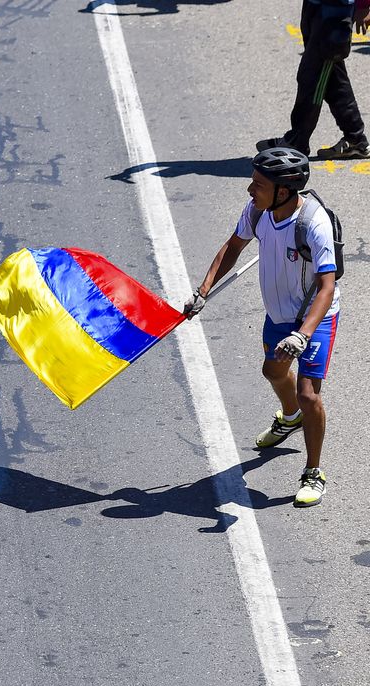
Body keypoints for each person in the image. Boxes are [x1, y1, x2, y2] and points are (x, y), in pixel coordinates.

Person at [184, 147, 339, 507]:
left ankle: (313, 471)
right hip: (278, 316)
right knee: (272, 370)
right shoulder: (258, 212)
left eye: (258, 184)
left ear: (283, 191)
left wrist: (302, 334)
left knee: (309, 393)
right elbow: (233, 246)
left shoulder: (313, 223)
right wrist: (202, 290)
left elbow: (327, 286)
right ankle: (291, 418)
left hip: (313, 318)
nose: (250, 190)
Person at [257, 0, 370, 159]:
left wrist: (364, 5)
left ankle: (297, 141)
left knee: (312, 78)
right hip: (315, 6)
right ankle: (355, 140)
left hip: (335, 10)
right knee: (332, 76)